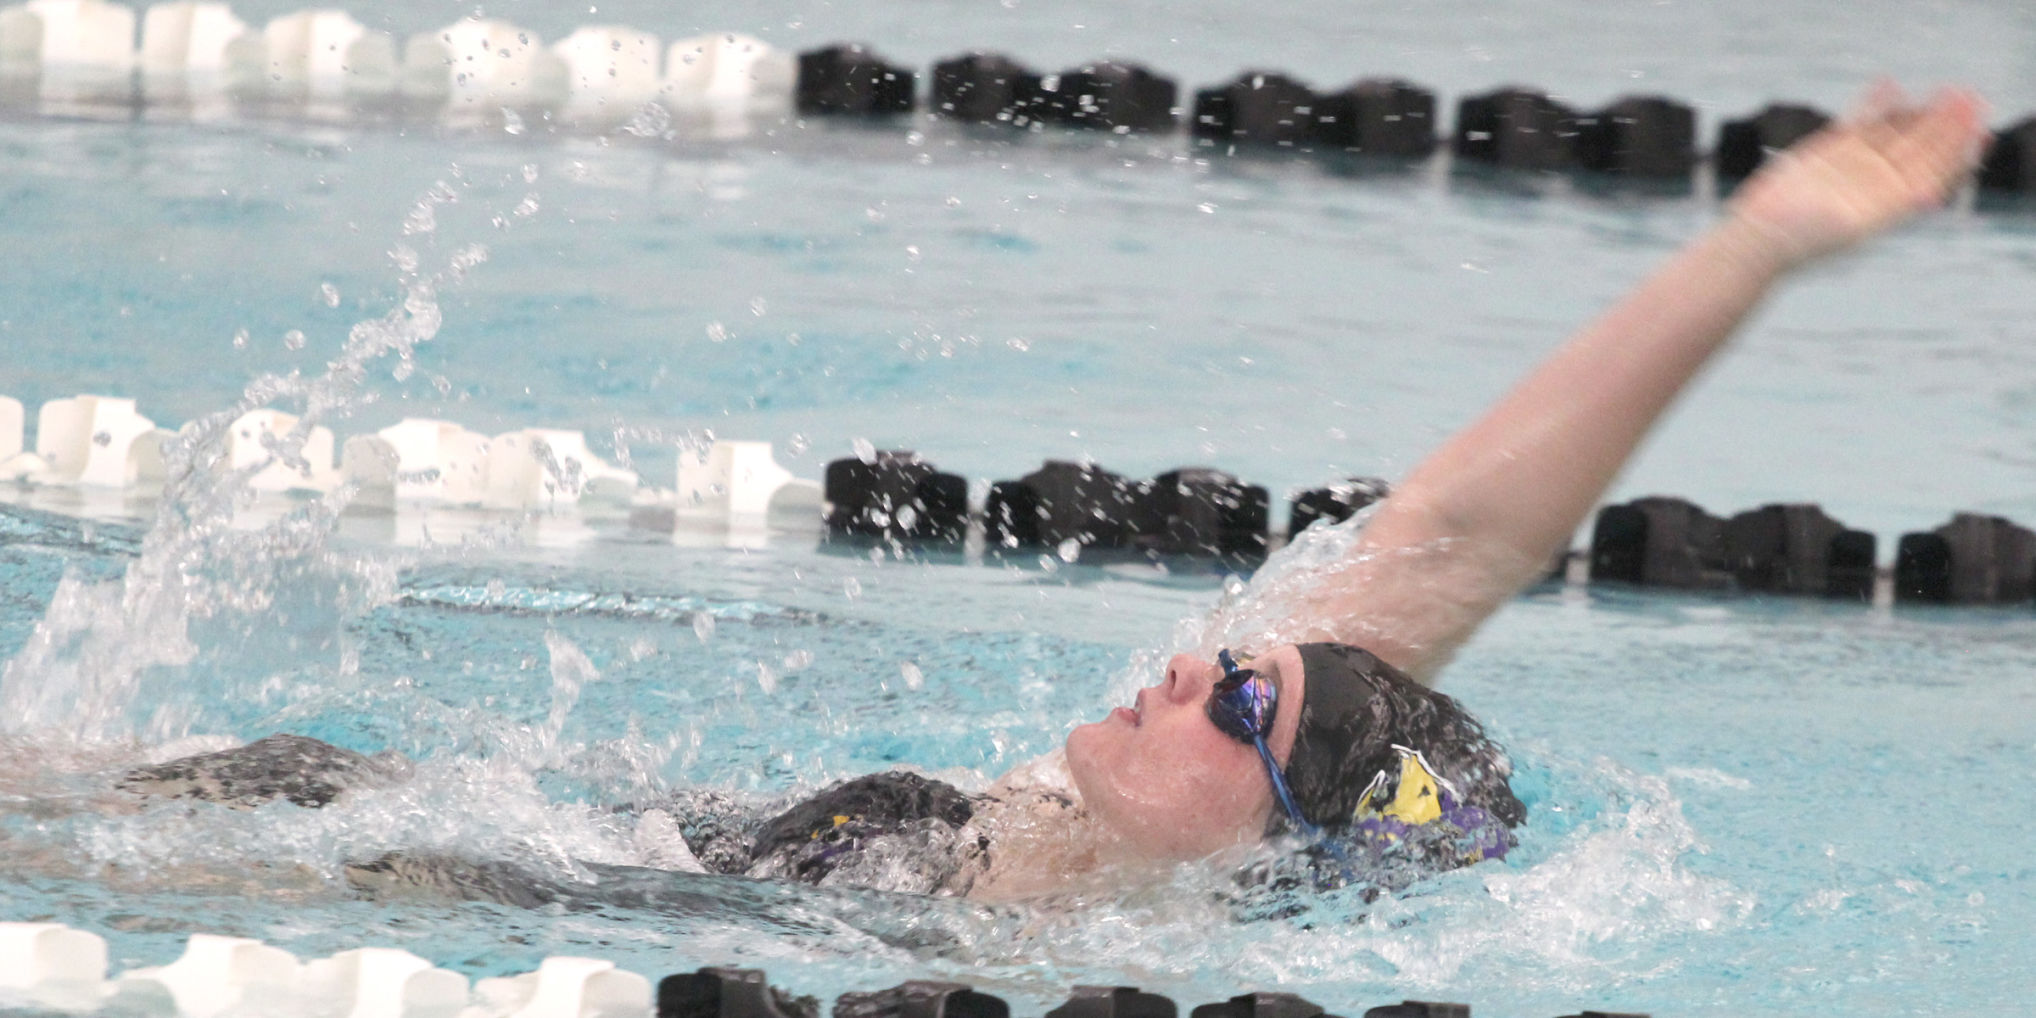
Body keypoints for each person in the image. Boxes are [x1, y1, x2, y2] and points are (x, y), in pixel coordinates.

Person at [120, 83, 1990, 907]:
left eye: (1243, 699)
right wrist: (1751, 247)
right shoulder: (1057, 820)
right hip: (498, 819)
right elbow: (1470, 537)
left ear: (1272, 844)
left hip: (508, 888)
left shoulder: (1094, 932)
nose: (1195, 667)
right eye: (1230, 659)